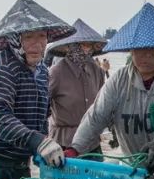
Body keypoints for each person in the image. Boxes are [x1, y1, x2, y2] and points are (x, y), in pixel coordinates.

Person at [66, 3, 154, 179]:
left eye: (153, 49)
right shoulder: (119, 80)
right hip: (135, 173)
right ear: (130, 50)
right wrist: (75, 148)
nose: (147, 55)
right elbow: (96, 116)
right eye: (140, 50)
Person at [0, 0, 76, 179]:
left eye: (42, 36)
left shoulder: (42, 71)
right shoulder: (3, 69)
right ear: (15, 39)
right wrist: (36, 141)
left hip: (22, 161)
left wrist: (43, 144)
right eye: (28, 37)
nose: (37, 44)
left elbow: (42, 114)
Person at [46, 19, 108, 148]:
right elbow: (42, 108)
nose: (86, 50)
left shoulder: (97, 71)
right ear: (70, 47)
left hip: (92, 142)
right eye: (82, 45)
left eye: (89, 46)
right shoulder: (56, 73)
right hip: (64, 143)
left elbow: (104, 104)